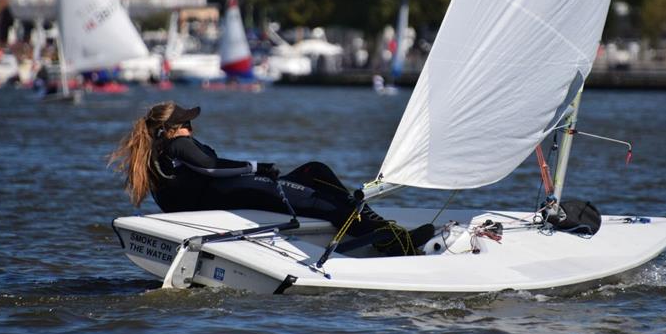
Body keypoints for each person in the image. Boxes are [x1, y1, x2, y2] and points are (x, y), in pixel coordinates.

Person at [109, 101, 434, 256]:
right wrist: (257, 168)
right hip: (234, 194)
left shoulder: (154, 156)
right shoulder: (177, 145)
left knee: (316, 171)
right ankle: (394, 241)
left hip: (227, 194)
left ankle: (375, 227)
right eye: (187, 124)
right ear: (171, 130)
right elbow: (210, 166)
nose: (191, 129)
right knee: (322, 201)